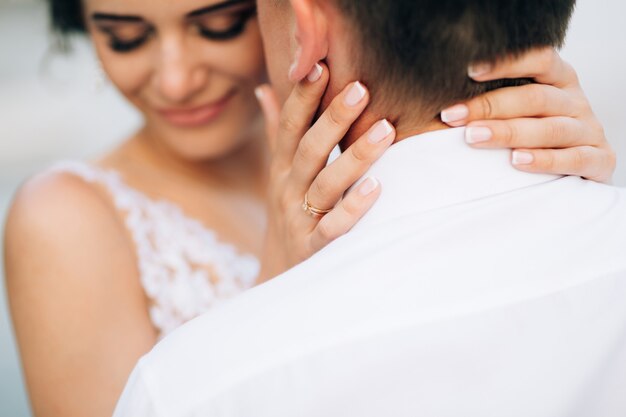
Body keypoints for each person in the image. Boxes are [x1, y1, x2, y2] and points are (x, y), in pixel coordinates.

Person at [3, 0, 615, 416]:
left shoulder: (369, 148)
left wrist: (547, 157)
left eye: (217, 25)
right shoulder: (63, 217)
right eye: (126, 37)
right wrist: (275, 279)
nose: (177, 79)